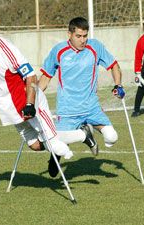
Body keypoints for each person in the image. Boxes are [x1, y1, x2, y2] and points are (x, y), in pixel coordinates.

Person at [0, 17, 73, 172]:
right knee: (34, 145)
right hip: (8, 107)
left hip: (27, 100)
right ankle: (56, 147)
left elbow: (31, 76)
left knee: (57, 145)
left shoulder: (7, 50)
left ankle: (80, 136)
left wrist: (30, 104)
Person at [38, 17, 125, 177]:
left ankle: (86, 131)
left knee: (112, 138)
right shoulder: (59, 51)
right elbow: (45, 77)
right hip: (67, 108)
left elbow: (114, 66)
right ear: (69, 34)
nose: (83, 40)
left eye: (85, 36)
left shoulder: (95, 47)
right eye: (78, 36)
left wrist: (118, 85)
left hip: (91, 107)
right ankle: (61, 151)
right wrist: (34, 98)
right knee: (54, 165)